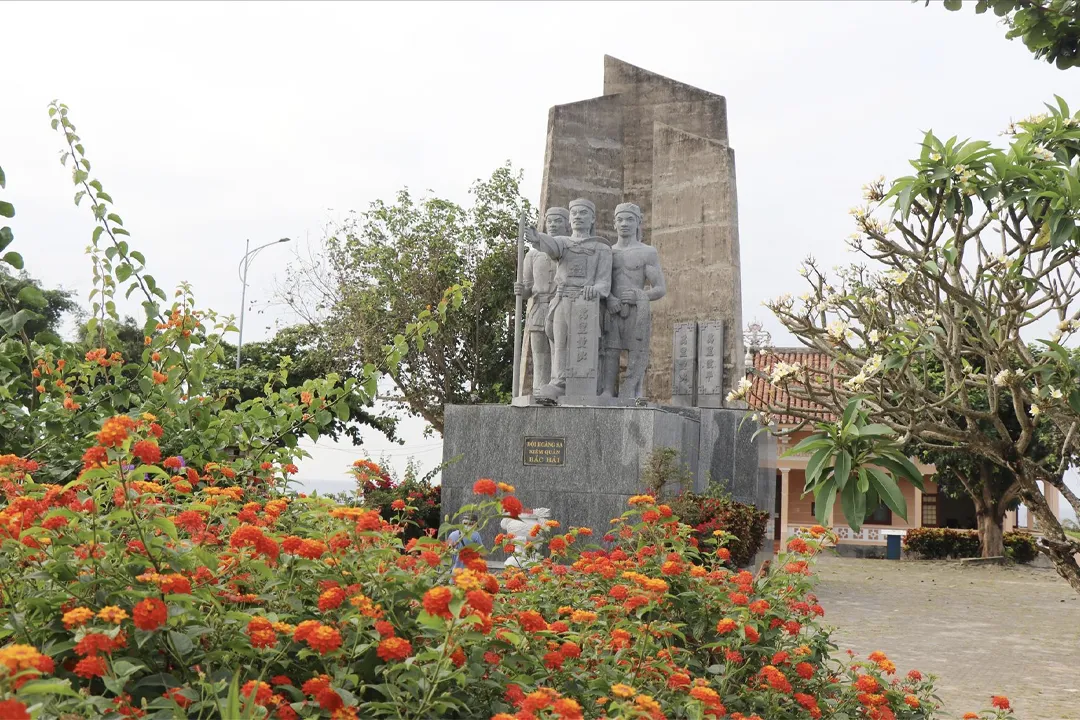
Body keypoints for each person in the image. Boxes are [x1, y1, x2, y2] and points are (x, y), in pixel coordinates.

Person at [523, 198, 613, 404]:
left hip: (587, 303)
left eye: (583, 213)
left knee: (586, 346)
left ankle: (588, 384)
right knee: (560, 343)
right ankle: (558, 382)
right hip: (563, 299)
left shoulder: (601, 248)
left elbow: (604, 283)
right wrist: (537, 238)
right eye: (574, 214)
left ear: (592, 219)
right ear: (570, 219)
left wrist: (595, 290)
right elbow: (551, 247)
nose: (578, 217)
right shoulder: (563, 243)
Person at [600, 202, 666, 398]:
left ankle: (634, 390)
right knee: (610, 350)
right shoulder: (607, 252)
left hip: (637, 311)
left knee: (636, 351)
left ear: (638, 222)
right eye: (620, 219)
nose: (624, 223)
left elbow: (660, 288)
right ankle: (607, 390)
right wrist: (610, 298)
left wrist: (640, 295)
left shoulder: (647, 252)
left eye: (629, 219)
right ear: (614, 224)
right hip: (612, 309)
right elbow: (601, 281)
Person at [514, 207, 567, 392]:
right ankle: (538, 390)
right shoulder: (532, 255)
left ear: (567, 224)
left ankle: (557, 388)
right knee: (539, 354)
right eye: (550, 221)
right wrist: (522, 290)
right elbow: (528, 287)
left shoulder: (568, 248)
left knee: (558, 352)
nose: (553, 225)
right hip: (539, 307)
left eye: (558, 221)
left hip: (560, 305)